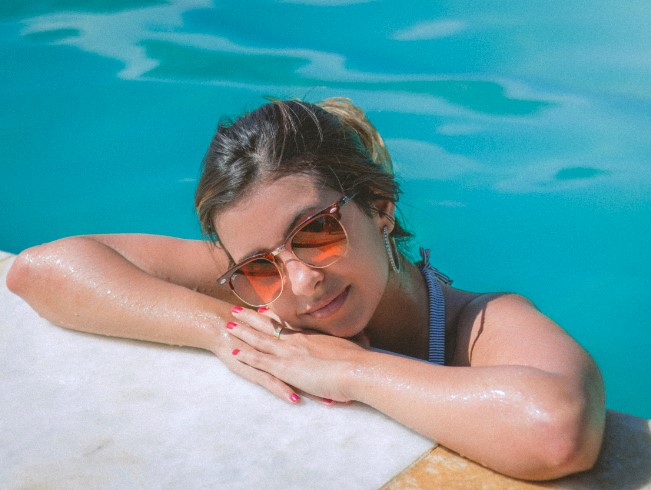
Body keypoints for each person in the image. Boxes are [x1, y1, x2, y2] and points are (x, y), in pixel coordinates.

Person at [7, 97, 605, 481]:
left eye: (316, 231)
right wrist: (227, 331)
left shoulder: (479, 325)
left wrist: (348, 368)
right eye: (258, 266)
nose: (299, 280)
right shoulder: (258, 291)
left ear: (379, 207)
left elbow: (558, 430)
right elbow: (41, 270)